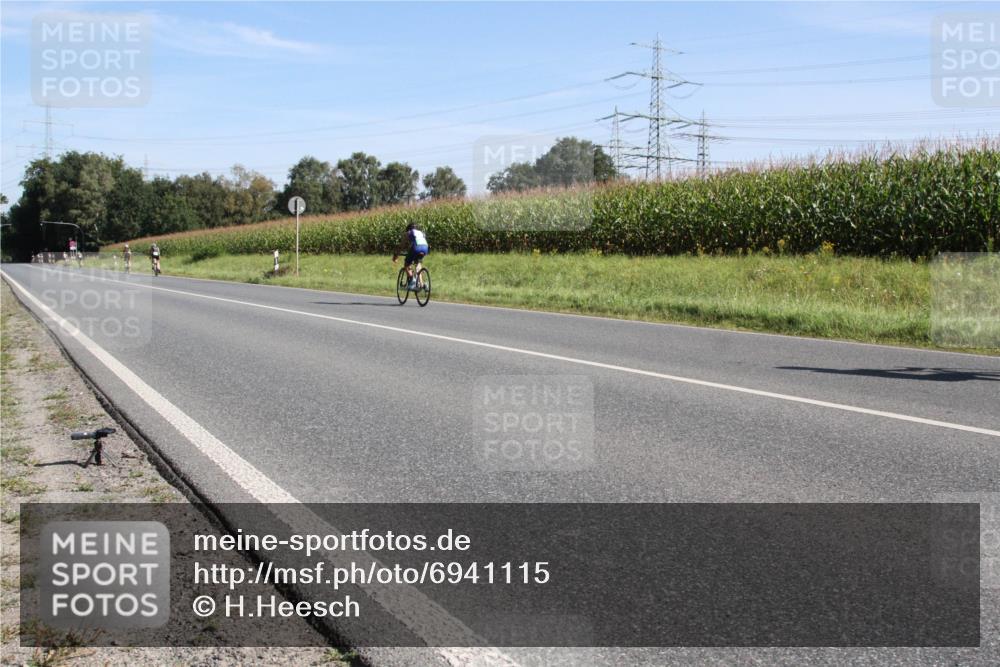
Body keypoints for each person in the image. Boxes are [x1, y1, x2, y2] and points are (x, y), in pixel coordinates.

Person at [392, 223, 429, 290]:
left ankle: (412, 281)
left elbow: (401, 246)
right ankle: (422, 284)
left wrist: (396, 255)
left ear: (408, 229)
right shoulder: (421, 233)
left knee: (407, 263)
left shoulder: (408, 233)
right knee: (418, 263)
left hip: (416, 248)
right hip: (425, 248)